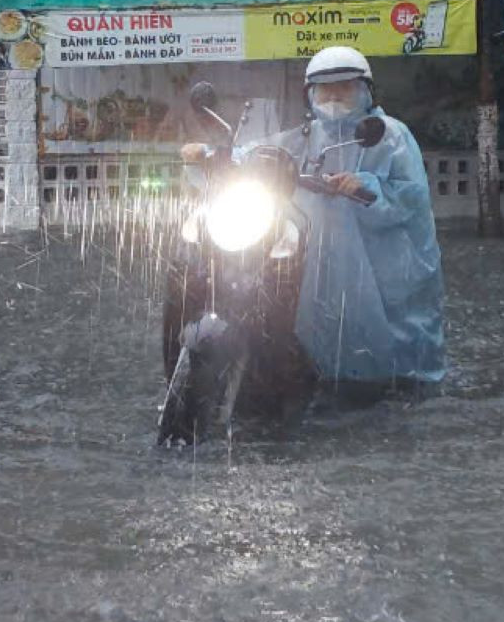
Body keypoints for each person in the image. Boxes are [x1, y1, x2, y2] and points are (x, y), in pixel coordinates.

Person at [183, 46, 446, 391]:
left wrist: (365, 186)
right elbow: (264, 152)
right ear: (310, 94)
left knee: (390, 337)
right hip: (322, 246)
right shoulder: (307, 135)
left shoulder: (389, 134)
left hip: (380, 256)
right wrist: (211, 154)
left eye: (344, 87)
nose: (334, 95)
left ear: (366, 90)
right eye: (325, 88)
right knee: (318, 316)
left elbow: (410, 197)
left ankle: (403, 384)